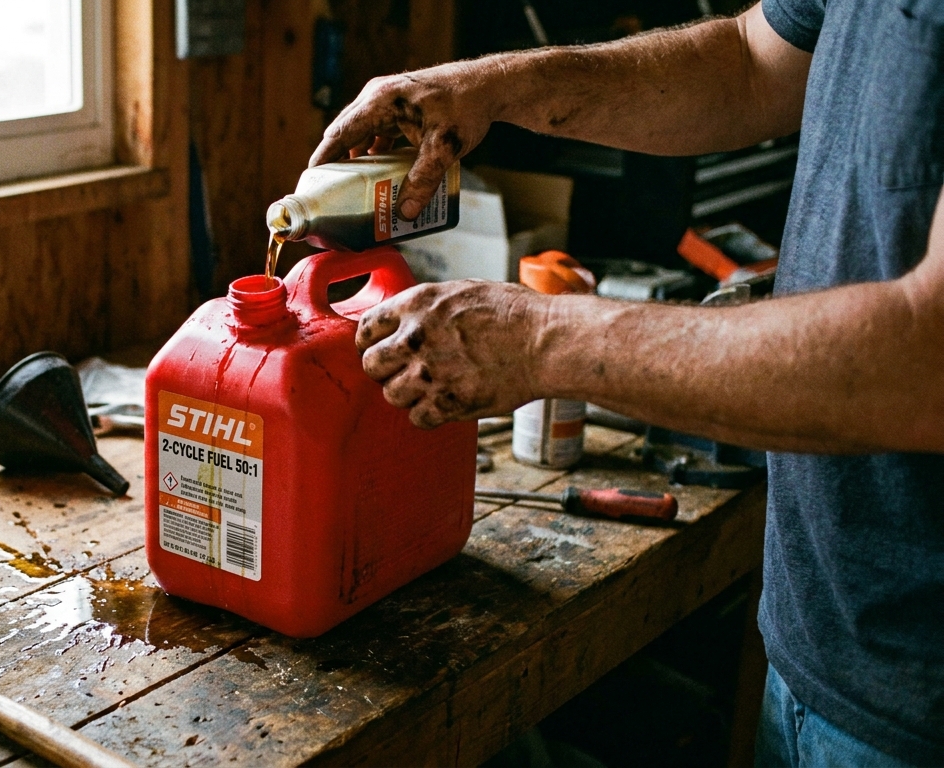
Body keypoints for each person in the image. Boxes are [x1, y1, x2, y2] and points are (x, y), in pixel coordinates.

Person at [310, 1, 944, 765]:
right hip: (820, 628)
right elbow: (750, 60)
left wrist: (542, 338)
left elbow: (925, 365)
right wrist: (487, 87)